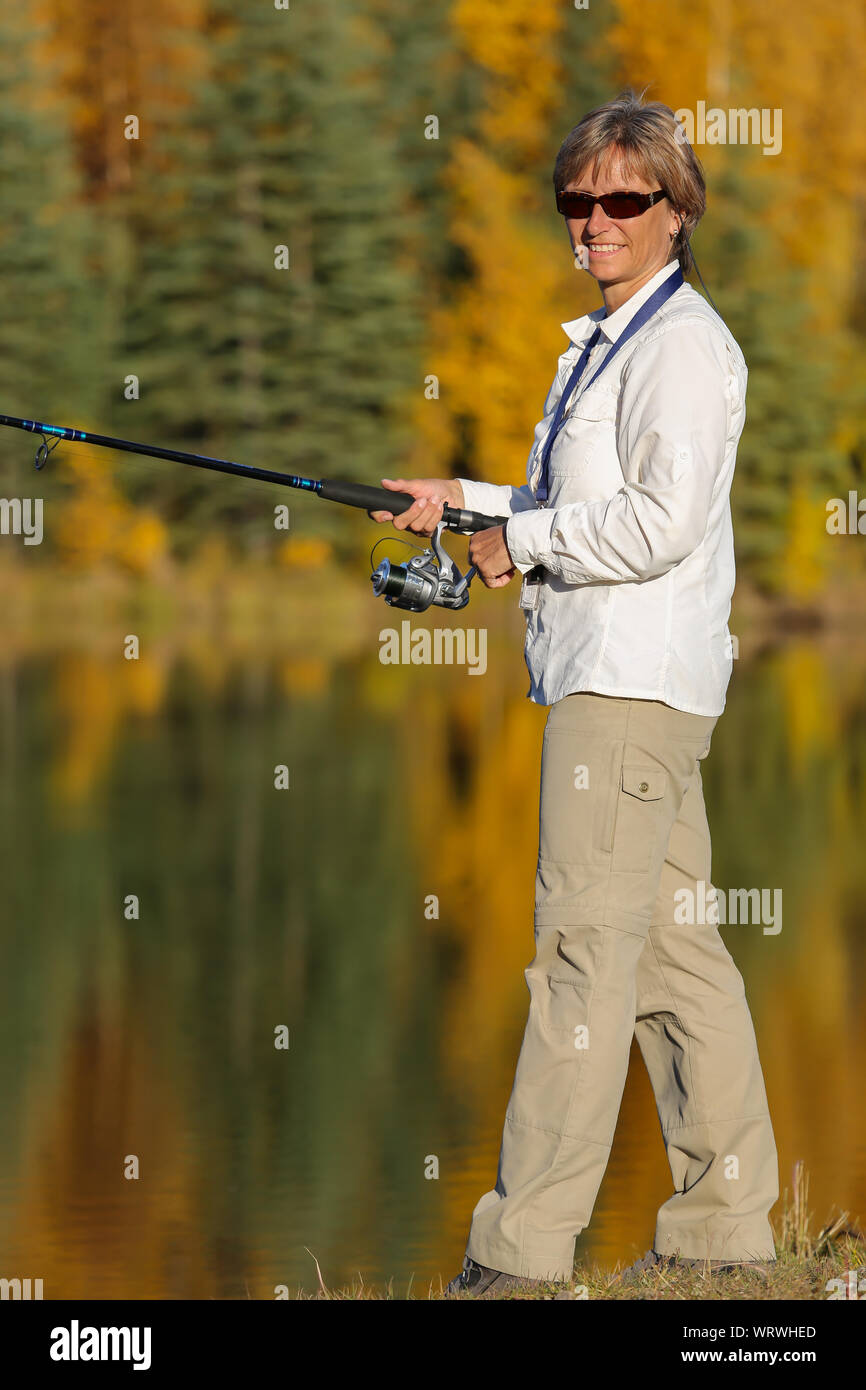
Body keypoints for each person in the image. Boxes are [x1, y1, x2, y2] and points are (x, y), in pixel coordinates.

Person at [370, 90, 779, 1297]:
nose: (592, 220)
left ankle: (523, 1252)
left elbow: (657, 522)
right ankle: (724, 1226)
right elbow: (576, 501)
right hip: (618, 684)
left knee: (577, 960)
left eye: (621, 199)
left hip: (625, 690)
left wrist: (525, 545)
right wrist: (463, 504)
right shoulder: (605, 343)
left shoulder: (684, 350)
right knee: (671, 956)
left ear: (673, 210)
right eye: (576, 201)